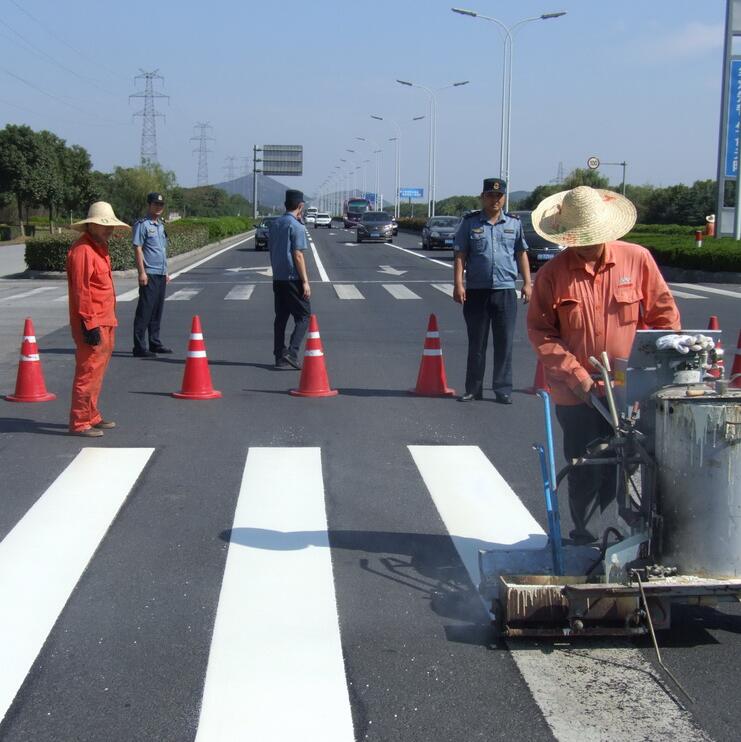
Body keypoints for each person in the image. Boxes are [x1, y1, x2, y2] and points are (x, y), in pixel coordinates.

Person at [526, 185, 680, 543]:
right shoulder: (552, 275)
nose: (583, 244)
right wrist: (578, 375)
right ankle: (585, 537)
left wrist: (650, 371)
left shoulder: (636, 259)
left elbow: (665, 319)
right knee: (585, 465)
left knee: (629, 463)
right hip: (576, 392)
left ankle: (630, 537)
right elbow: (541, 332)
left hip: (630, 388)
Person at [453, 178, 532, 404]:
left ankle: (502, 388)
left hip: (505, 290)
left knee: (504, 342)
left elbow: (521, 254)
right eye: (490, 195)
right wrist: (458, 284)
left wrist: (527, 283)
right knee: (477, 343)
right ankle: (473, 388)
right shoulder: (469, 223)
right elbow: (460, 256)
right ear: (483, 197)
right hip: (477, 291)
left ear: (504, 198)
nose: (494, 200)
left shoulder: (514, 224)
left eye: (498, 196)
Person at [67, 202, 129, 437]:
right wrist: (88, 324)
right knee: (88, 372)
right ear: (91, 225)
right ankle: (80, 421)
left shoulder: (99, 247)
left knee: (97, 372)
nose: (109, 230)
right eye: (104, 226)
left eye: (110, 226)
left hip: (105, 319)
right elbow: (81, 291)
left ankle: (91, 415)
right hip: (92, 321)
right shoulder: (83, 250)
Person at [268, 189, 311, 369]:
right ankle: (292, 353)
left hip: (278, 278)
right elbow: (298, 255)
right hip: (293, 277)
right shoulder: (297, 226)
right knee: (303, 316)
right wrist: (305, 281)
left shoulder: (275, 224)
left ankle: (279, 354)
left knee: (281, 318)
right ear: (300, 206)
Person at [132, 192, 172, 358]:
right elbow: (138, 247)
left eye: (161, 205)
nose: (158, 207)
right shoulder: (143, 224)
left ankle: (154, 342)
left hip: (161, 273)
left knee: (157, 310)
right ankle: (139, 346)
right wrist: (141, 272)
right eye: (155, 204)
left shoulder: (160, 225)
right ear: (149, 205)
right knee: (145, 310)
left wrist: (167, 272)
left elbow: (162, 251)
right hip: (149, 273)